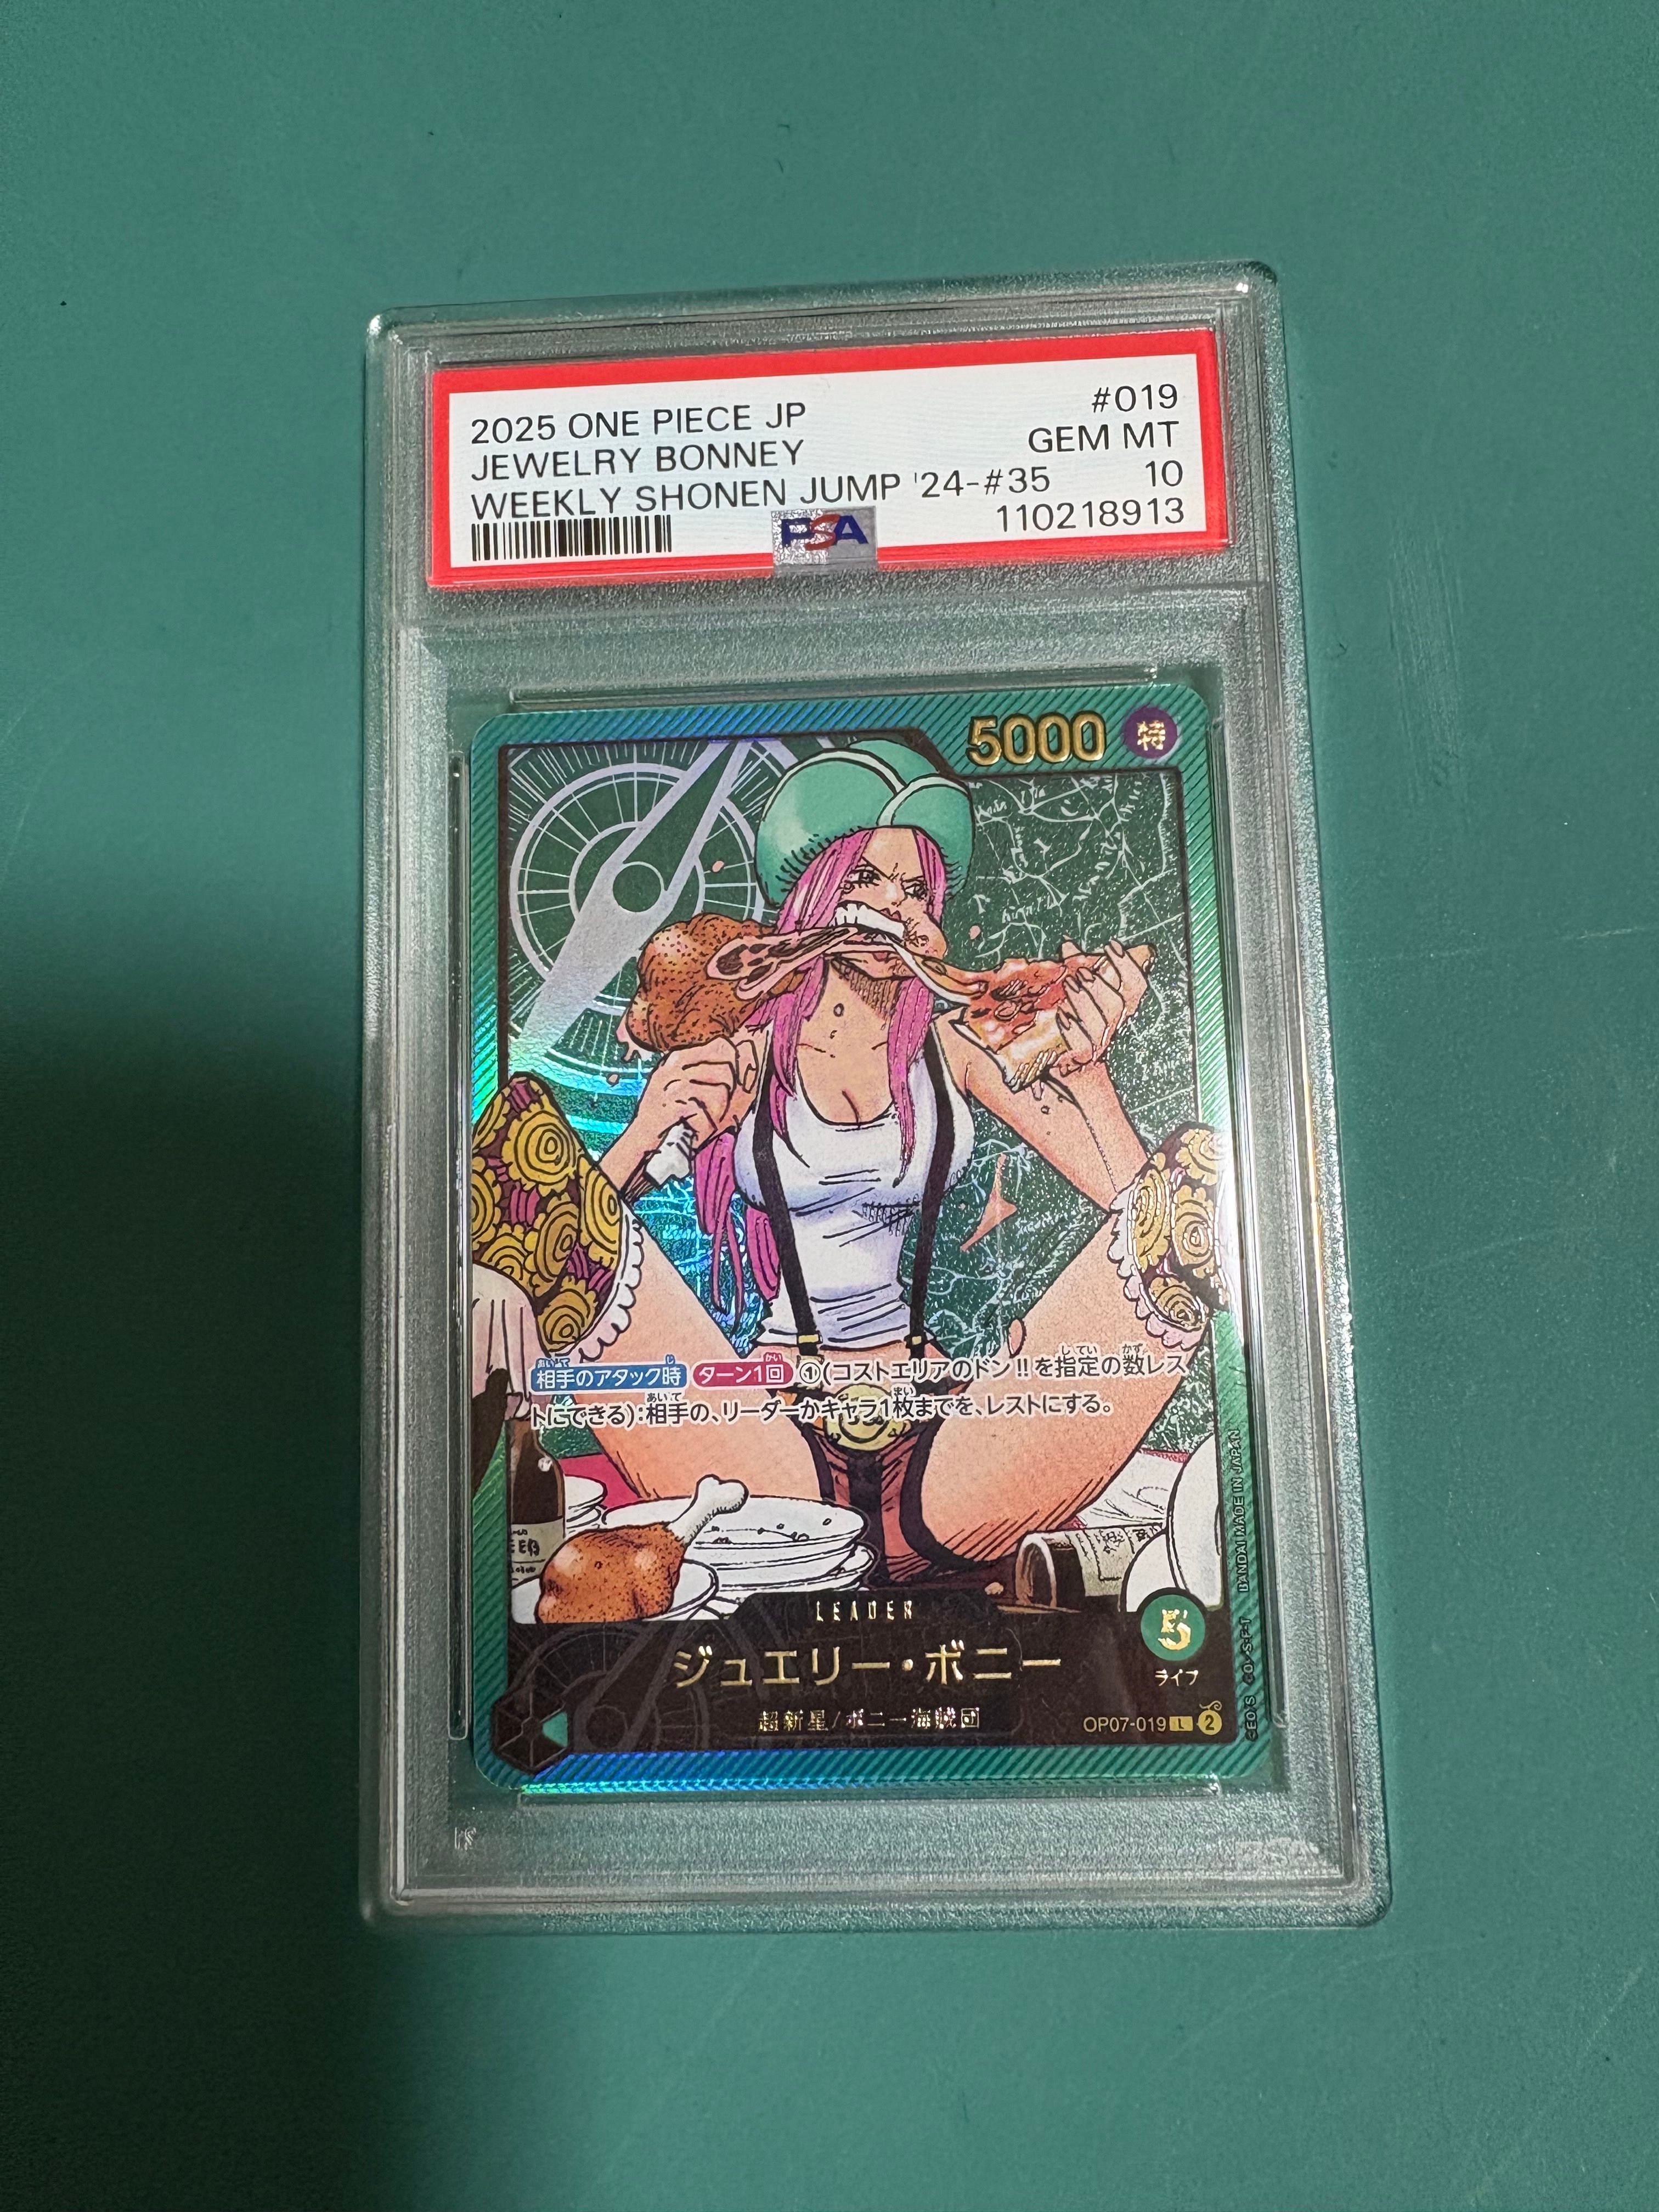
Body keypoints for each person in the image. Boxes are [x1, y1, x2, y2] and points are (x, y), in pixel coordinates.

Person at [476, 737, 1227, 1585]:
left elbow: (1147, 1220)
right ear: (817, 893)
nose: (891, 908)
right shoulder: (748, 1055)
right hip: (763, 1450)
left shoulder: (958, 1046)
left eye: (914, 891)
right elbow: (568, 1229)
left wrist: (1091, 1078)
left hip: (952, 1457)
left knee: (1198, 1187)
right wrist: (645, 1132)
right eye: (865, 880)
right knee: (519, 1157)